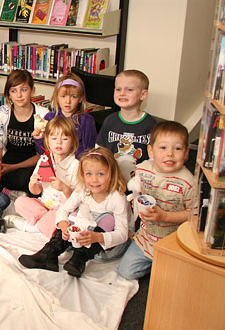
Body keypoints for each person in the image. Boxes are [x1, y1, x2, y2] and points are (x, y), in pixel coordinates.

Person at [18, 147, 129, 278]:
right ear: (82, 175)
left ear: (111, 174)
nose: (94, 180)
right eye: (89, 174)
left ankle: (79, 259)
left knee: (108, 219)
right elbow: (64, 210)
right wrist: (64, 226)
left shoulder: (117, 199)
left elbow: (122, 234)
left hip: (105, 244)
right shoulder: (83, 190)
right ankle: (49, 254)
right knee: (72, 215)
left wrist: (97, 237)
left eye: (101, 174)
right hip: (83, 235)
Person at [118, 121, 196, 280]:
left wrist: (165, 217)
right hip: (145, 240)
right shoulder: (143, 169)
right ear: (151, 151)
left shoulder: (188, 182)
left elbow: (195, 215)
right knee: (125, 273)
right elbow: (138, 191)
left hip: (174, 244)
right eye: (163, 148)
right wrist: (136, 201)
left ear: (186, 153)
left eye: (178, 148)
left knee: (170, 282)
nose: (170, 154)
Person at [5, 116, 81, 238]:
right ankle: (43, 222)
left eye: (65, 138)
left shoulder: (76, 165)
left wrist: (65, 188)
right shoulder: (44, 160)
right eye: (54, 138)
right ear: (47, 140)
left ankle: (30, 226)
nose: (59, 142)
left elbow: (78, 200)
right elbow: (36, 191)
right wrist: (33, 183)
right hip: (43, 205)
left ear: (73, 141)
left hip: (62, 209)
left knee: (59, 218)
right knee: (20, 202)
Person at [0, 69, 50, 192]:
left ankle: (13, 194)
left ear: (32, 91)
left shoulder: (44, 115)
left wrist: (13, 167)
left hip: (33, 161)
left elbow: (44, 154)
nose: (18, 95)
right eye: (14, 91)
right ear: (9, 93)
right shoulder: (2, 113)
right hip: (8, 159)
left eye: (24, 90)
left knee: (27, 179)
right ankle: (8, 194)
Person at [96, 69, 156, 183]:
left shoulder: (151, 125)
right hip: (112, 180)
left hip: (140, 182)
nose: (122, 93)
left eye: (129, 90)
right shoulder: (110, 120)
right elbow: (100, 149)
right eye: (118, 89)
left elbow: (155, 158)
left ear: (143, 94)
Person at [34, 72, 97, 159]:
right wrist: (38, 139)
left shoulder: (86, 120)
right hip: (54, 165)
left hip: (77, 166)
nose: (68, 101)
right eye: (63, 96)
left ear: (81, 98)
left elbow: (89, 151)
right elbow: (43, 152)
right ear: (57, 97)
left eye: (73, 97)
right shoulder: (50, 118)